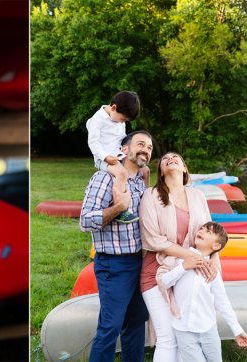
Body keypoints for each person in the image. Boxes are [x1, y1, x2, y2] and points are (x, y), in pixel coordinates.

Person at [138, 152, 220, 362]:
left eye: (176, 157)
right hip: (157, 272)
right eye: (165, 159)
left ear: (184, 168)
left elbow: (213, 233)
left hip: (190, 275)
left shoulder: (198, 196)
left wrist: (214, 260)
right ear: (161, 171)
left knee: (186, 338)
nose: (171, 158)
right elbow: (152, 240)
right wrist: (190, 257)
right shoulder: (151, 195)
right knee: (168, 339)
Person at [80, 130, 153, 362]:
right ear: (124, 149)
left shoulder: (141, 180)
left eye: (150, 147)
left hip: (140, 262)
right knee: (111, 325)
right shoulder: (104, 178)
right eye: (140, 144)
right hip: (114, 264)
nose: (145, 150)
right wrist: (118, 208)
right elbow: (85, 221)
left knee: (136, 320)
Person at [160, 222, 247, 362]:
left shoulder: (212, 270)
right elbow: (164, 282)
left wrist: (237, 329)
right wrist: (184, 267)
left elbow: (222, 301)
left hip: (208, 329)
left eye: (208, 232)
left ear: (216, 246)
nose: (201, 231)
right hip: (183, 329)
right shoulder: (180, 260)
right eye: (202, 228)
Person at [86, 91, 150, 224]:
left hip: (118, 155)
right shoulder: (97, 120)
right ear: (113, 107)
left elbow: (121, 138)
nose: (122, 122)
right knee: (121, 173)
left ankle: (145, 201)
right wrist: (105, 157)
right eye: (122, 119)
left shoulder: (117, 118)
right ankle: (120, 210)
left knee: (145, 170)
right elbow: (93, 143)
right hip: (104, 159)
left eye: (125, 120)